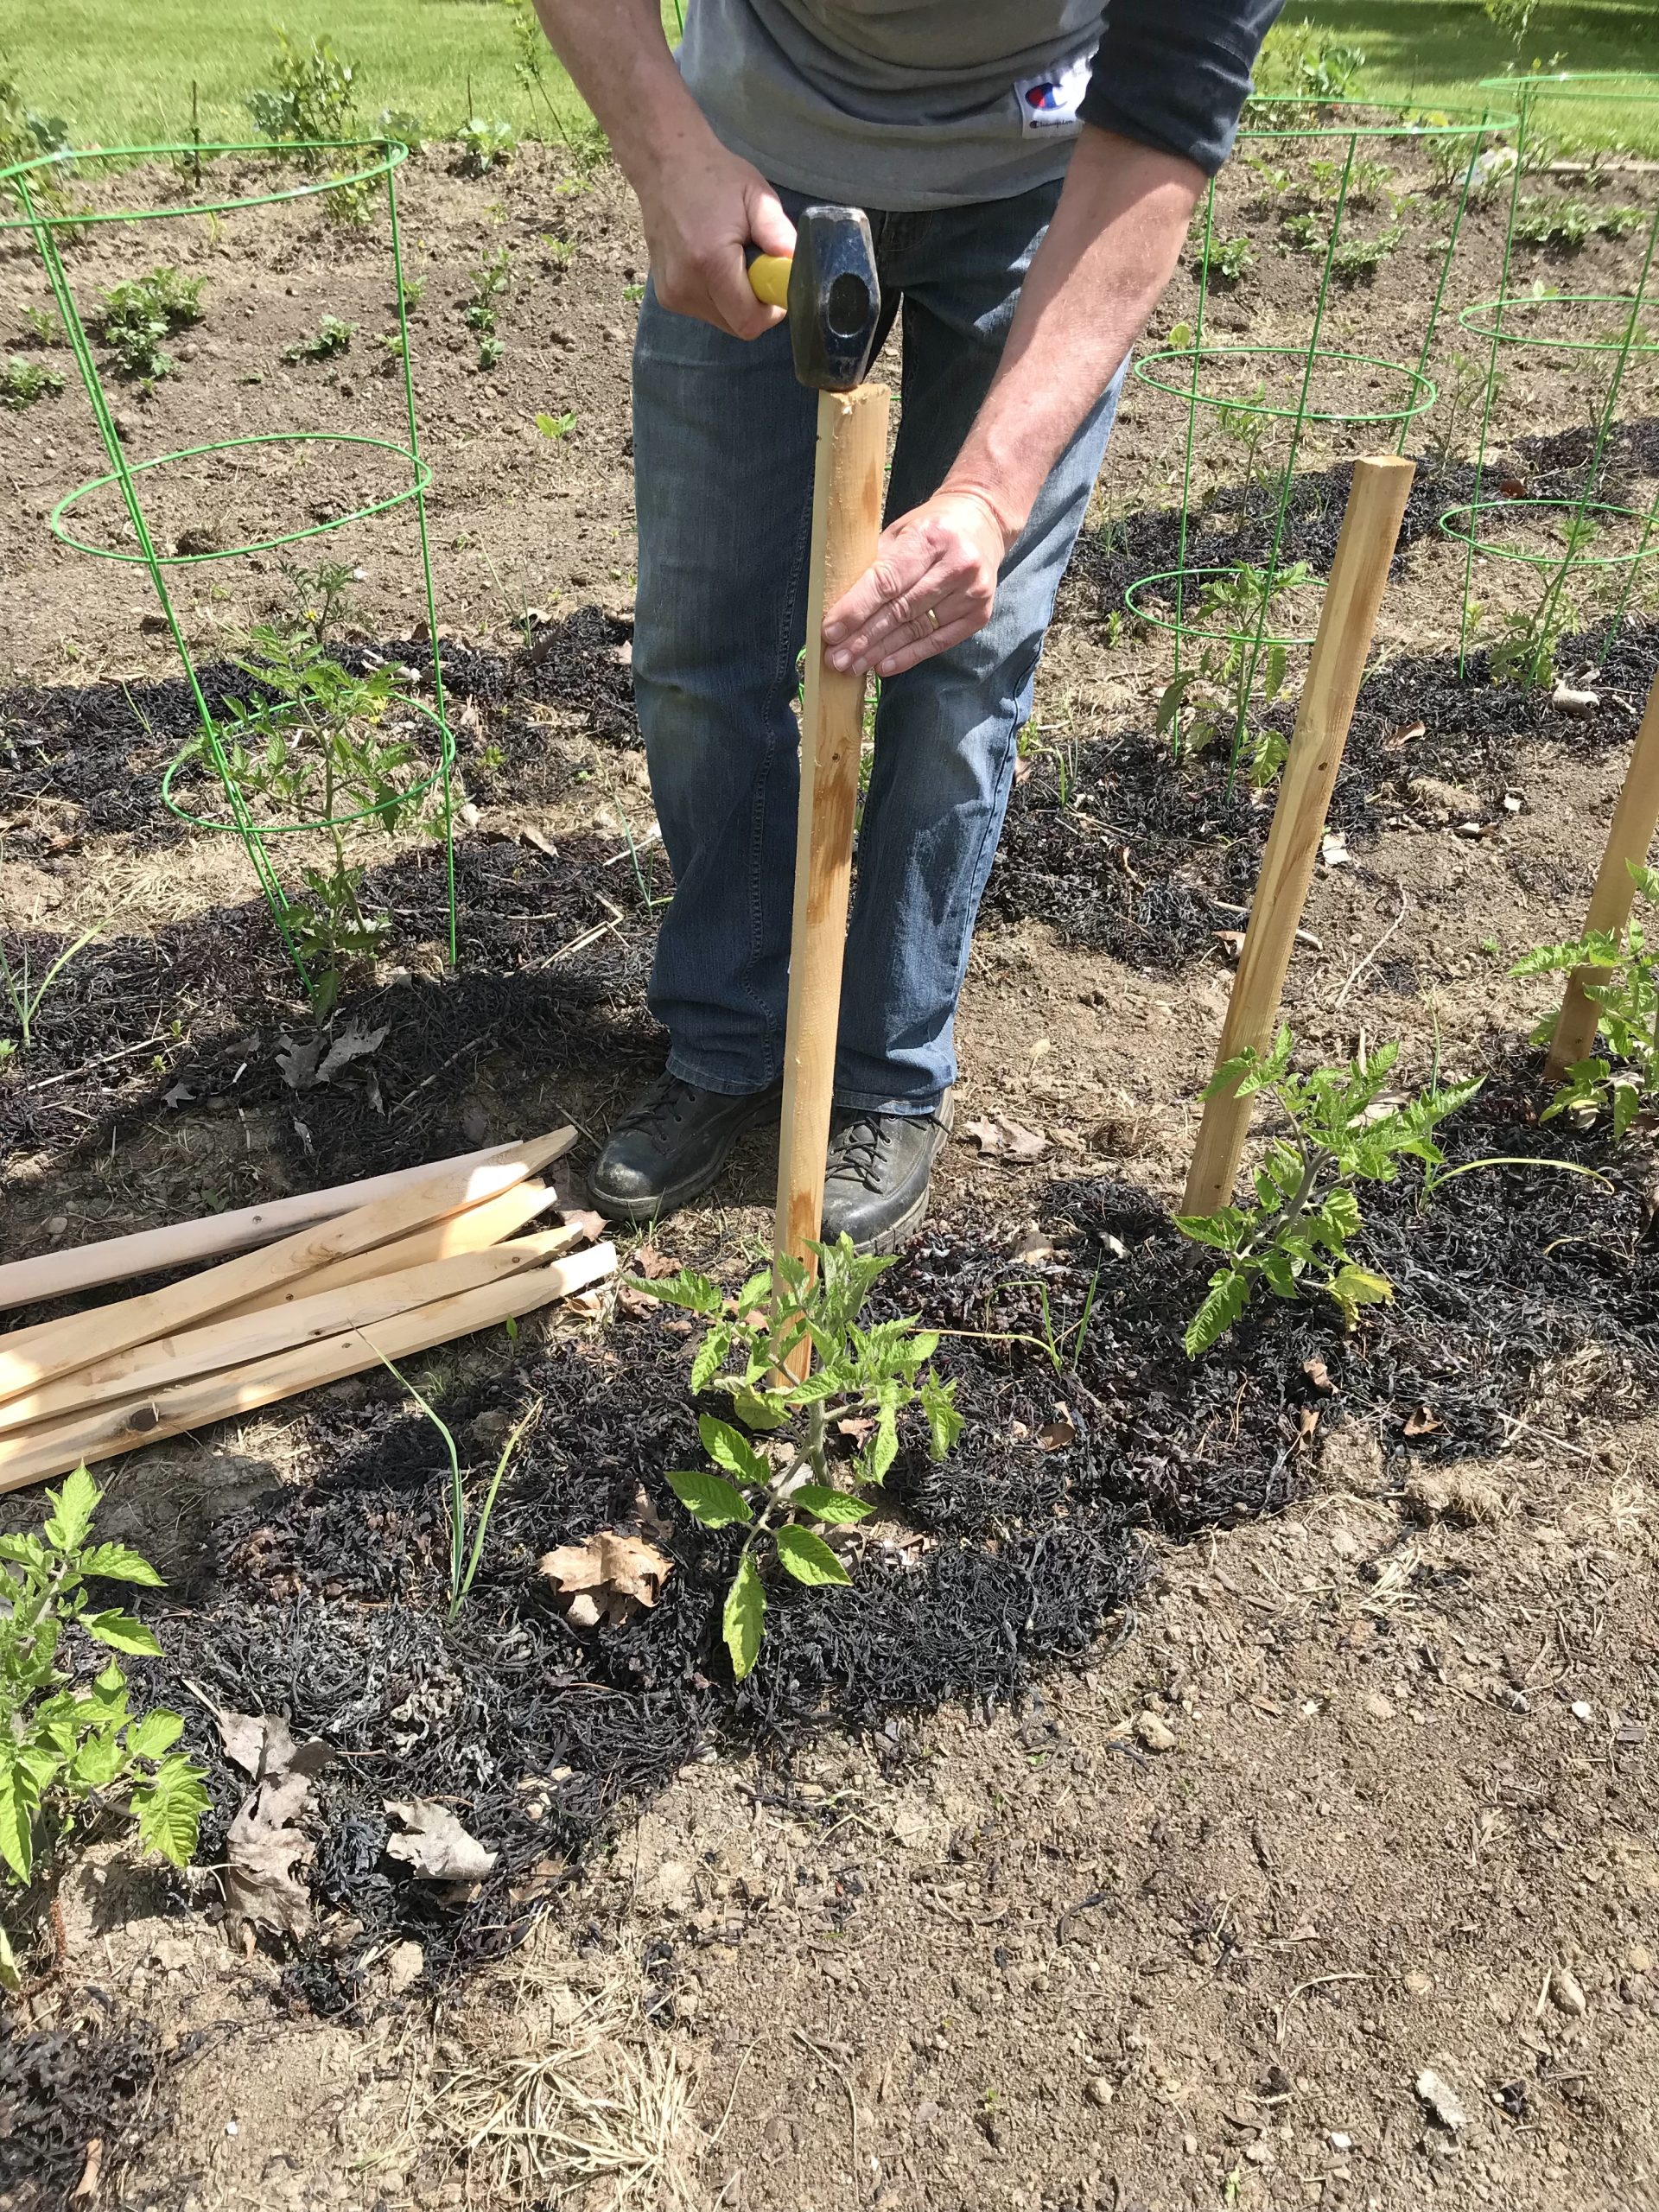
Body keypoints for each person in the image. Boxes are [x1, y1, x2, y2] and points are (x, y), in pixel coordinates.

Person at [532, 0, 1281, 1249]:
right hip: (757, 161)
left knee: (958, 676)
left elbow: (1167, 120)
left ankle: (886, 1076)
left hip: (1047, 186)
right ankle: (731, 1042)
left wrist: (990, 493)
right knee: (702, 661)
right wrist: (672, 156)